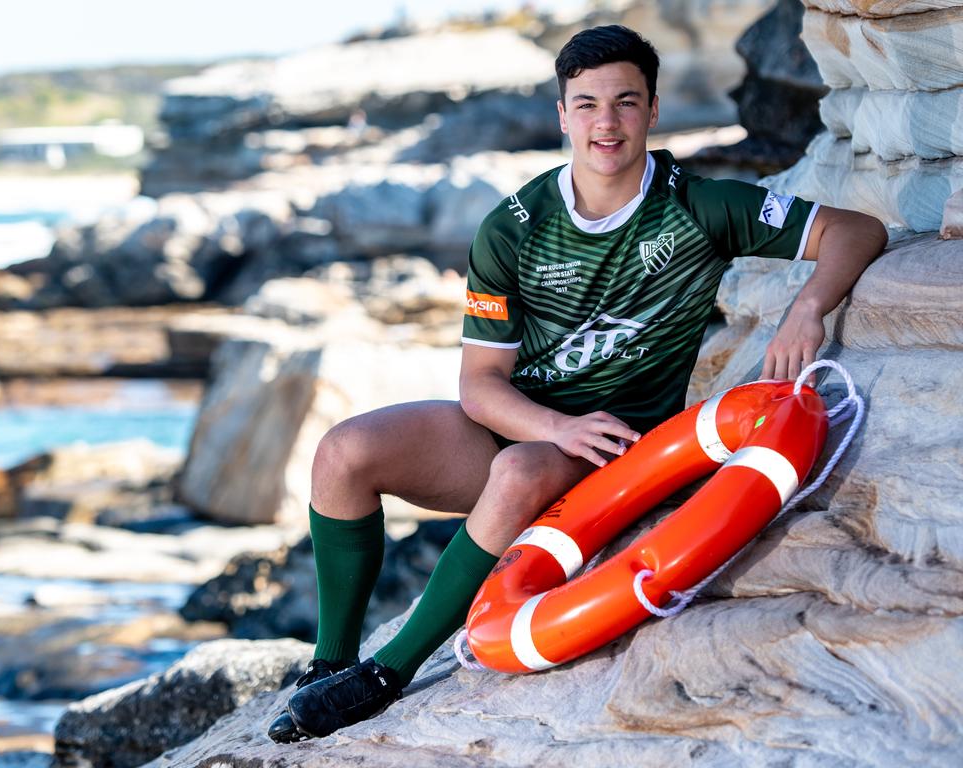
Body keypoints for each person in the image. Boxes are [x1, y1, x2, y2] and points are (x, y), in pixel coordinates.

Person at [267, 24, 887, 743]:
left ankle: (386, 674)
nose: (606, 122)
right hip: (531, 427)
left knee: (519, 467)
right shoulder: (514, 228)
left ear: (653, 110)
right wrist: (556, 424)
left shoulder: (701, 206)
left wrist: (807, 308)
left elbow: (855, 230)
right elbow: (480, 386)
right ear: (563, 114)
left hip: (621, 449)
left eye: (625, 102)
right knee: (343, 452)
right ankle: (329, 663)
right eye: (587, 103)